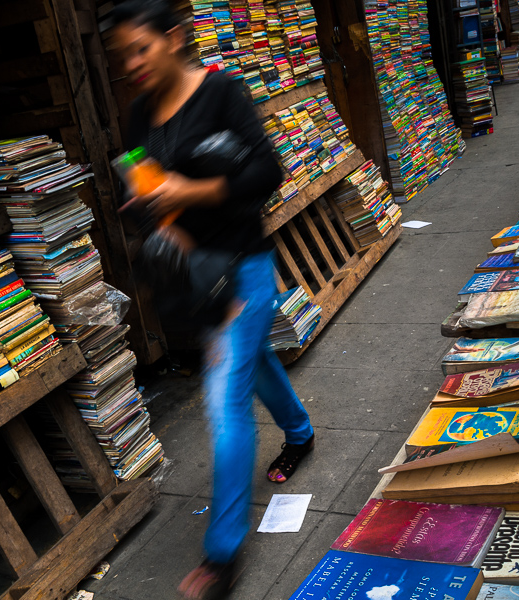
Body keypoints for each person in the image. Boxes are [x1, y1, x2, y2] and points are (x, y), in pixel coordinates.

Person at [110, 2, 316, 598]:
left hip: (244, 268)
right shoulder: (138, 115)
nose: (131, 64)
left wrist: (190, 191)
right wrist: (155, 215)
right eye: (122, 55)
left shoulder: (224, 92)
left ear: (173, 38)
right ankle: (301, 433)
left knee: (226, 401)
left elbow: (266, 174)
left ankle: (221, 556)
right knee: (253, 362)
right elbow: (140, 181)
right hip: (196, 278)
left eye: (140, 48)